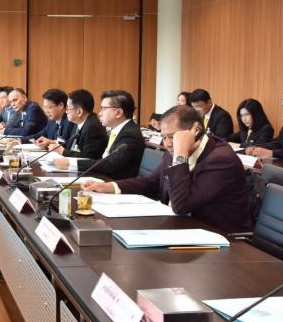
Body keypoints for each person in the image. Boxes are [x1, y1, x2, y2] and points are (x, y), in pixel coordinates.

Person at [83, 105, 251, 233]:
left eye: (172, 137)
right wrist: (110, 187)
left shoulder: (220, 159)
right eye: (164, 137)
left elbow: (182, 205)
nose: (167, 144)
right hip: (184, 228)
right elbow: (152, 183)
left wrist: (181, 154)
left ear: (196, 130)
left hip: (219, 236)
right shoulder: (174, 150)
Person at [52, 90, 144, 180]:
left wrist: (70, 164)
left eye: (104, 109)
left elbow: (109, 165)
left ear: (118, 113)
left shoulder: (129, 134)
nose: (100, 113)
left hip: (115, 184)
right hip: (103, 179)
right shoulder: (120, 130)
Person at [51, 89, 108, 160]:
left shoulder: (93, 127)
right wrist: (56, 145)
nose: (66, 111)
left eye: (69, 108)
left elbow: (88, 158)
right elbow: (70, 146)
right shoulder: (79, 123)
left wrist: (62, 151)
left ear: (79, 111)